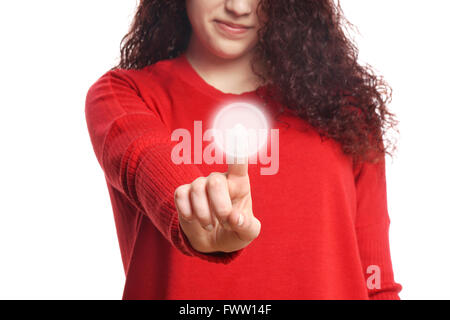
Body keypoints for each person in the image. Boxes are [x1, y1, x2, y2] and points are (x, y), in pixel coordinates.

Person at [85, 0, 402, 299]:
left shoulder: (346, 112)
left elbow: (376, 283)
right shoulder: (123, 94)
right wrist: (194, 212)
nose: (237, 8)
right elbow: (144, 159)